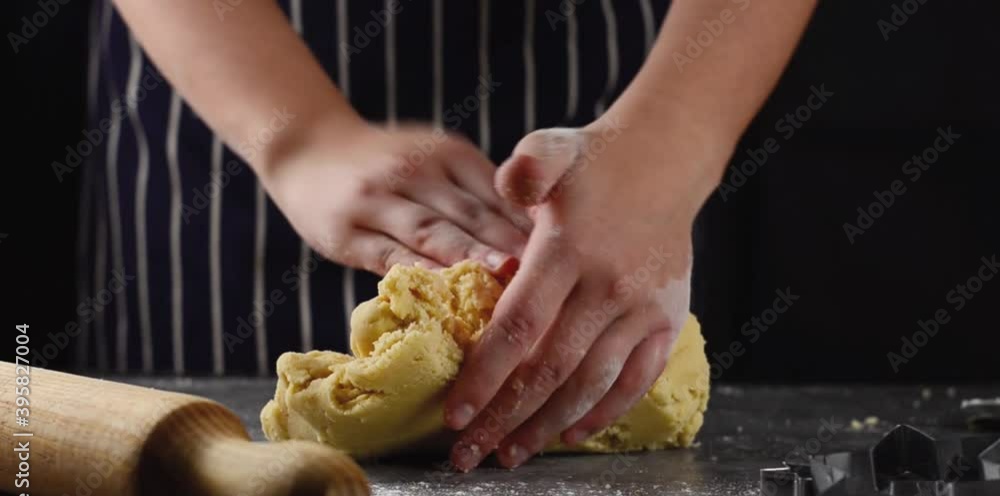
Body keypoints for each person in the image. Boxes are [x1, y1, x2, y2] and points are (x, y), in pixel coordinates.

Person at [83, 0, 817, 471]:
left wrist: (675, 135)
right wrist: (298, 136)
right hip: (231, 84)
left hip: (625, 91)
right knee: (207, 470)